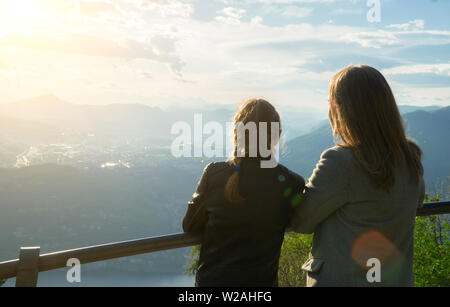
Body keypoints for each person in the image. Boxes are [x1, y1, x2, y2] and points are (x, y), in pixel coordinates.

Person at [291, 65, 425, 287]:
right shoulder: (411, 159)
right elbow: (417, 202)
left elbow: (301, 222)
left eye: (330, 104)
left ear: (343, 110)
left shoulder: (341, 162)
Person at [183, 98, 305, 287]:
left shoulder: (215, 174)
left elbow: (190, 225)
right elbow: (301, 221)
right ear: (277, 135)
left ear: (236, 133)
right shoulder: (291, 183)